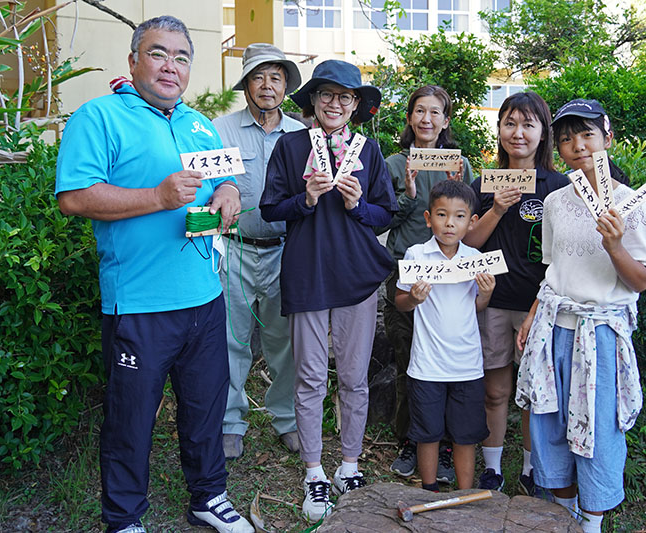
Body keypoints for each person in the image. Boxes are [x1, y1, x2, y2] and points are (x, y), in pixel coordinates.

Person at [55, 16, 253, 533]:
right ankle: (124, 518)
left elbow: (224, 180)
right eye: (159, 53)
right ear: (133, 61)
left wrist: (229, 194)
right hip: (139, 304)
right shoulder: (98, 117)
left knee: (205, 406)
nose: (171, 66)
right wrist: (158, 198)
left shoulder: (198, 123)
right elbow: (75, 197)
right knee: (131, 419)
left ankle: (208, 496)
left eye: (182, 57)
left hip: (205, 296)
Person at [259, 59, 397, 522]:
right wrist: (308, 198)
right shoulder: (291, 146)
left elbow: (385, 214)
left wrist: (359, 205)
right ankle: (315, 471)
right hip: (308, 273)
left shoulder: (368, 151)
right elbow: (271, 207)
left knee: (355, 377)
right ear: (313, 101)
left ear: (356, 105)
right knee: (311, 378)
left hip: (356, 276)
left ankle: (350, 464)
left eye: (346, 96)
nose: (335, 103)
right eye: (326, 95)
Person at [515, 99, 646, 533]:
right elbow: (553, 269)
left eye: (586, 134)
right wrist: (532, 315)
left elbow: (640, 281)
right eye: (565, 138)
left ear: (607, 138)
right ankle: (565, 514)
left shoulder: (632, 205)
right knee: (548, 421)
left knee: (599, 431)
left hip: (600, 334)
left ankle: (591, 523)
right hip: (553, 329)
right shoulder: (556, 202)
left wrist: (615, 245)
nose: (576, 145)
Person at [462, 91, 568, 495]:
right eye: (509, 123)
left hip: (538, 305)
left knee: (533, 392)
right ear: (500, 129)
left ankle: (530, 468)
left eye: (528, 124)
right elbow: (467, 244)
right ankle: (492, 468)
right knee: (495, 389)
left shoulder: (558, 186)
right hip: (491, 301)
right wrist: (496, 209)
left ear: (543, 133)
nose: (518, 133)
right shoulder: (484, 183)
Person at [212, 43, 305, 460]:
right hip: (233, 248)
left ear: (286, 84)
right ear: (246, 84)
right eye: (258, 77)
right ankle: (231, 421)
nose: (267, 86)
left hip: (286, 251)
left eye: (276, 77)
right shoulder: (219, 130)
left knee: (283, 341)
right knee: (231, 339)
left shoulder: (303, 135)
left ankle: (285, 417)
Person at [377, 85, 472, 484]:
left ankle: (446, 445)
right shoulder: (394, 164)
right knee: (408, 360)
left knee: (448, 365)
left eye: (435, 112)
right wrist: (410, 195)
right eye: (419, 111)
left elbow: (469, 219)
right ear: (409, 118)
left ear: (446, 120)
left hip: (451, 280)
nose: (427, 119)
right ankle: (412, 440)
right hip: (407, 272)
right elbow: (381, 221)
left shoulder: (460, 166)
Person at [395, 180, 495, 491]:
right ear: (428, 218)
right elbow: (400, 303)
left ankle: (465, 496)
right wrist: (414, 298)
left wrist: (487, 293)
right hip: (427, 364)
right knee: (427, 432)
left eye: (459, 216)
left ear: (472, 221)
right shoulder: (416, 254)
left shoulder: (475, 259)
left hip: (466, 364)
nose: (449, 223)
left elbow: (477, 306)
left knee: (465, 434)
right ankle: (429, 491)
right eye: (441, 214)